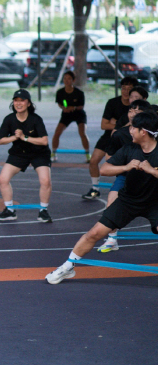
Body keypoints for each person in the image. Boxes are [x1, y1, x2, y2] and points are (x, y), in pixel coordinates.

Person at [46, 110, 158, 284]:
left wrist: (151, 170)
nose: (130, 131)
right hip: (128, 201)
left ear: (143, 131)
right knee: (94, 233)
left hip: (155, 202)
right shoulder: (129, 148)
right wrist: (126, 167)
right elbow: (104, 169)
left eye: (133, 128)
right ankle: (67, 267)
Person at [95, 99, 151, 253]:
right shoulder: (120, 134)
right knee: (111, 201)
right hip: (126, 176)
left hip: (151, 178)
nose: (132, 114)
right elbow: (108, 161)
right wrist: (125, 165)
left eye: (137, 111)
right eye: (130, 111)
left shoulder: (153, 134)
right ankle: (112, 239)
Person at [0, 89, 52, 223]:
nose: (18, 103)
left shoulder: (36, 119)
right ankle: (9, 210)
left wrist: (24, 137)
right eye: (16, 100)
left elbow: (44, 141)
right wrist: (15, 138)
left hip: (39, 153)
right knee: (3, 178)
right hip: (19, 152)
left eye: (22, 101)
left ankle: (43, 211)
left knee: (45, 180)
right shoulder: (9, 119)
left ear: (28, 103)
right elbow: (1, 140)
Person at [84, 76, 137, 200]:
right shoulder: (112, 103)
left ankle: (126, 190)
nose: (125, 91)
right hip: (108, 137)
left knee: (122, 166)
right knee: (93, 161)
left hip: (128, 139)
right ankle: (95, 188)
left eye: (129, 89)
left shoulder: (135, 106)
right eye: (123, 88)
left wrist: (116, 123)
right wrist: (121, 125)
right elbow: (104, 125)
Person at [50, 71, 90, 163]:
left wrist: (74, 107)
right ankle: (53, 153)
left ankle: (88, 154)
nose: (66, 80)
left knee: (82, 133)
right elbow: (59, 103)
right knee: (57, 133)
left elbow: (81, 106)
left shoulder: (79, 93)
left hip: (79, 114)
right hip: (66, 115)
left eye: (69, 79)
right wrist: (63, 108)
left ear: (73, 80)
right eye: (65, 78)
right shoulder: (60, 92)